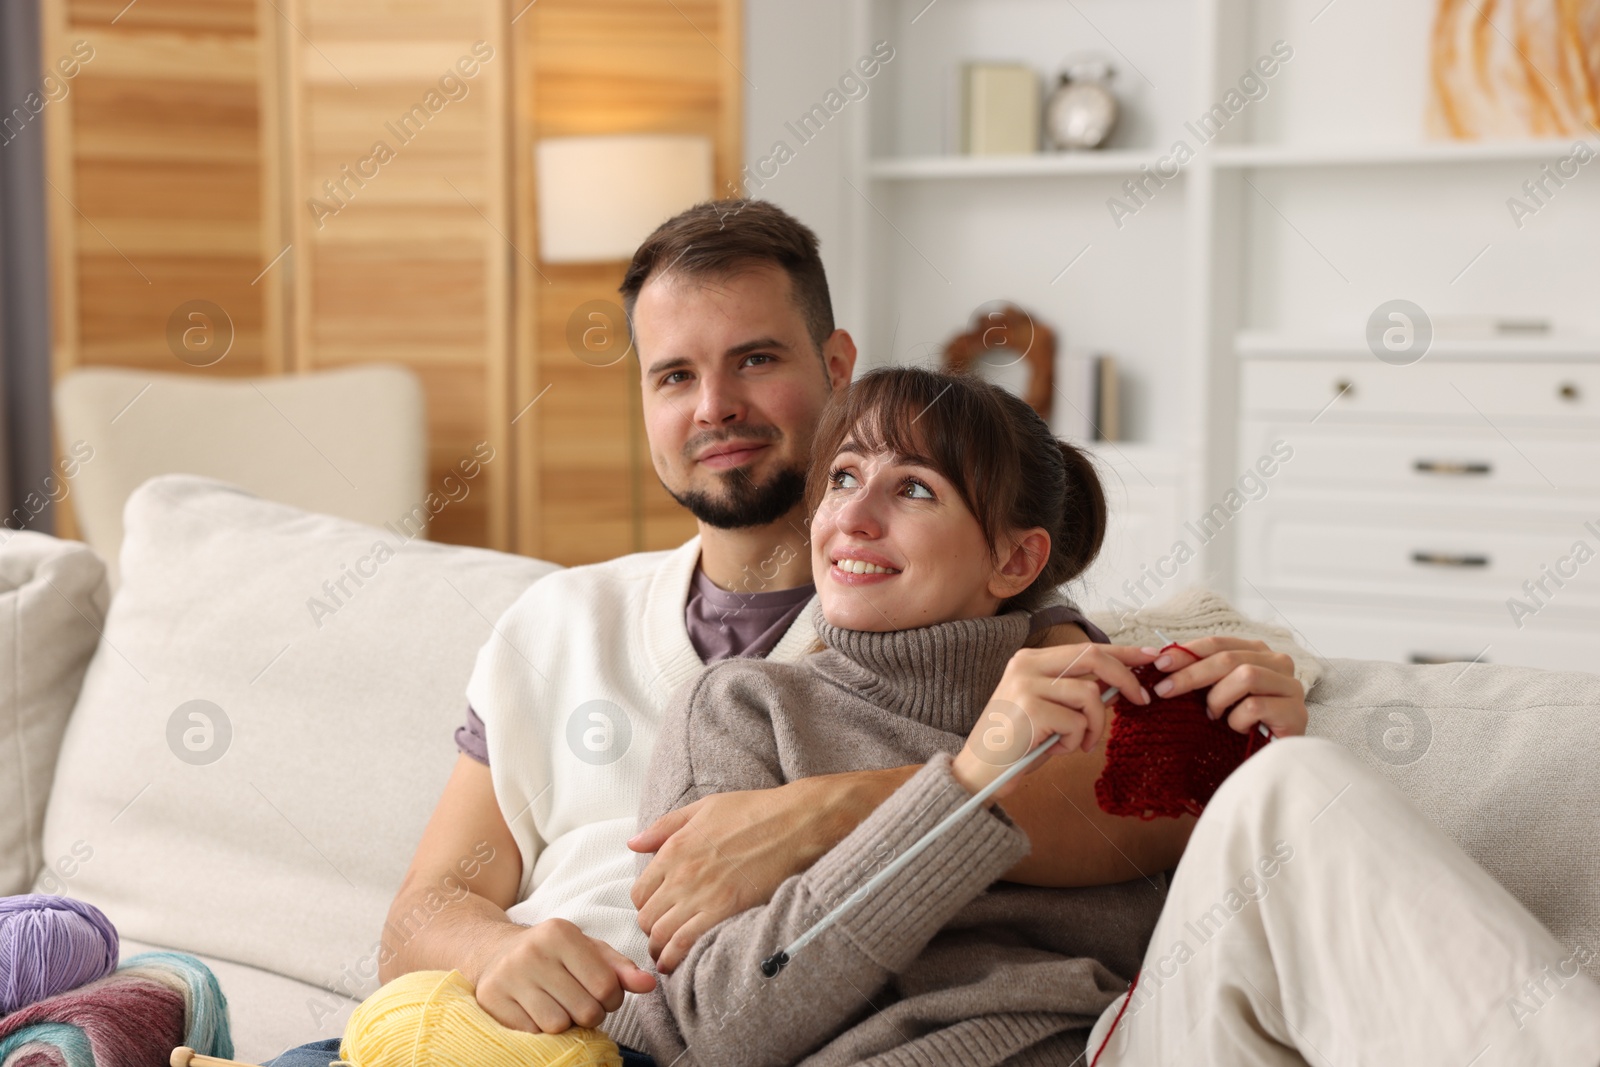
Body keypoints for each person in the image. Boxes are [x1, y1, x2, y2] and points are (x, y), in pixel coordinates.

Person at [263, 201, 1307, 1065]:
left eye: (754, 358)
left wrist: (813, 814)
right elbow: (422, 912)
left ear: (836, 364)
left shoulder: (940, 610)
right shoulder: (557, 622)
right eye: (674, 375)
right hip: (524, 1028)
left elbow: (1116, 792)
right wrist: (495, 947)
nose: (715, 406)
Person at [634, 366, 1600, 1066]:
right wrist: (966, 790)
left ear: (1015, 561)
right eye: (842, 478)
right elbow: (720, 1028)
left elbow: (1230, 920)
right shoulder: (740, 707)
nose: (851, 515)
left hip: (1130, 1045)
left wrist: (1253, 745)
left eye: (913, 489)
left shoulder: (1107, 692)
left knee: (1290, 785)